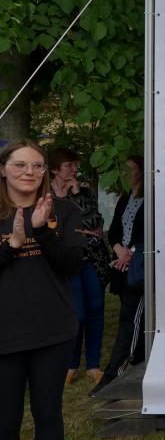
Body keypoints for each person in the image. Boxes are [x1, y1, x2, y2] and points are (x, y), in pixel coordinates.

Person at [0, 139, 85, 439]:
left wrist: (41, 232)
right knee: (5, 422)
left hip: (53, 331)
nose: (29, 172)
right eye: (20, 165)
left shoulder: (64, 210)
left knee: (48, 416)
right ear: (2, 169)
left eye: (37, 166)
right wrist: (12, 245)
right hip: (4, 335)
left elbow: (73, 265)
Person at [48, 147, 107, 386]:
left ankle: (93, 365)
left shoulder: (84, 192)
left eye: (75, 165)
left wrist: (76, 194)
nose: (74, 169)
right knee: (77, 313)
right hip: (65, 262)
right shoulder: (45, 195)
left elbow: (95, 223)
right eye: (69, 165)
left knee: (96, 309)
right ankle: (71, 364)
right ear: (55, 170)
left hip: (91, 259)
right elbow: (53, 228)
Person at [89, 155, 146, 397]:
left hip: (139, 264)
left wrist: (130, 253)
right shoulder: (125, 197)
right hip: (122, 265)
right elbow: (113, 229)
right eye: (122, 169)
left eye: (130, 169)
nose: (125, 174)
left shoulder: (151, 197)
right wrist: (118, 249)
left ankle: (114, 375)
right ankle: (139, 362)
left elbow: (149, 232)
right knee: (132, 317)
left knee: (131, 318)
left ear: (142, 171)